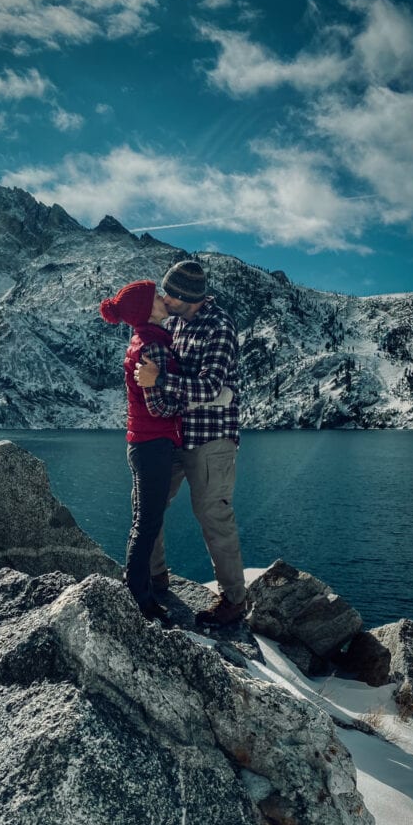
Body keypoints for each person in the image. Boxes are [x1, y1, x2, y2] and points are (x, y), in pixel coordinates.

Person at [134, 259, 247, 627]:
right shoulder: (176, 324)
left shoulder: (220, 326)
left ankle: (233, 600)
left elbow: (212, 386)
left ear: (186, 296)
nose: (164, 299)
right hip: (175, 434)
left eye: (169, 293)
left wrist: (159, 379)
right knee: (148, 504)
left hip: (212, 439)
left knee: (213, 514)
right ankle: (156, 576)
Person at [99, 280, 181, 624]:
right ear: (148, 309)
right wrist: (188, 398)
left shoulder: (145, 339)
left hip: (143, 443)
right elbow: (160, 406)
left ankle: (138, 589)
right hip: (154, 445)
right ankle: (139, 599)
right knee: (147, 523)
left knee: (144, 521)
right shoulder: (153, 346)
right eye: (156, 297)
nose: (164, 299)